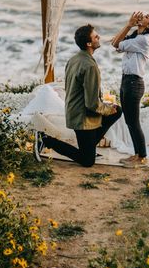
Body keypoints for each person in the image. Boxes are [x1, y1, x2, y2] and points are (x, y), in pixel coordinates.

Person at [35, 24, 122, 167]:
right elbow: (92, 104)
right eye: (95, 36)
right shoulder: (90, 66)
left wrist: (108, 108)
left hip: (73, 111)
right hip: (83, 119)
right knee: (87, 161)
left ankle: (89, 145)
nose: (98, 37)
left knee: (117, 110)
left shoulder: (74, 59)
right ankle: (45, 140)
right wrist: (107, 109)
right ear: (89, 43)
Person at [111, 11, 149, 167]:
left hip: (134, 83)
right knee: (129, 122)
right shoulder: (136, 37)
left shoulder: (144, 40)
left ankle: (142, 157)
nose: (143, 17)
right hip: (127, 81)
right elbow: (116, 43)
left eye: (147, 17)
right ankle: (136, 154)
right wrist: (130, 27)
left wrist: (128, 25)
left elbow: (115, 43)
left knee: (133, 122)